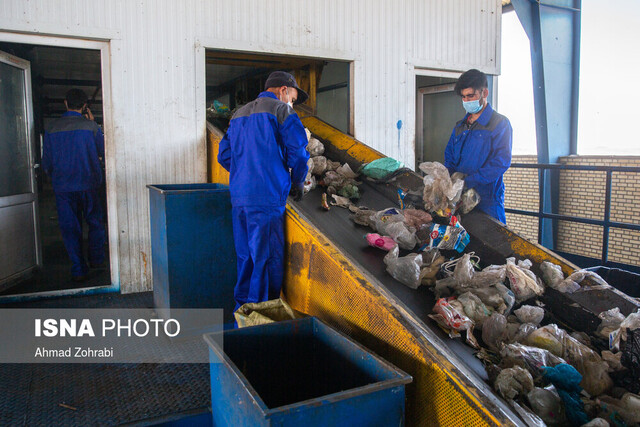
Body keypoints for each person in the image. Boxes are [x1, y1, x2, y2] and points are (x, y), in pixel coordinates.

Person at [218, 71, 310, 311]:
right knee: (265, 261)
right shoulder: (282, 111)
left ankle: (242, 315)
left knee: (246, 259)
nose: (292, 102)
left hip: (239, 199)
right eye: (293, 96)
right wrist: (297, 182)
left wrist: (246, 170)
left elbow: (224, 155)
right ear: (283, 90)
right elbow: (299, 153)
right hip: (267, 199)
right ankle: (259, 324)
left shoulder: (238, 114)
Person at [42, 88, 106, 282]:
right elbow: (104, 151)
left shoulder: (51, 129)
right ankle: (96, 260)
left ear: (65, 103)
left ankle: (79, 269)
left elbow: (47, 164)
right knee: (95, 224)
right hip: (89, 184)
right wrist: (93, 122)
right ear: (85, 106)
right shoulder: (91, 128)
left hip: (64, 188)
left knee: (70, 228)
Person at [444, 69, 513, 223]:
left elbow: (500, 162)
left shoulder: (499, 124)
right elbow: (449, 156)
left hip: (487, 201)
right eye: (463, 97)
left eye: (471, 96)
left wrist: (468, 181)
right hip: (459, 198)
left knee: (493, 242)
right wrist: (447, 179)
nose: (467, 101)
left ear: (485, 93)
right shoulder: (460, 127)